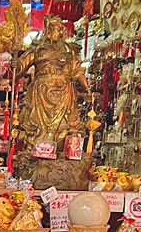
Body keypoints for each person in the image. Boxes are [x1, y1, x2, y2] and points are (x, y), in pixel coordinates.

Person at [16, 15, 91, 152]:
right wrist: (15, 66)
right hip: (42, 91)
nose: (59, 32)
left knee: (64, 124)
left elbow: (77, 71)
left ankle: (62, 150)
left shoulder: (68, 51)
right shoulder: (38, 50)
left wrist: (87, 88)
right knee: (38, 125)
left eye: (60, 29)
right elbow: (20, 69)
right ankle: (37, 150)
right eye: (56, 29)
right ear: (48, 30)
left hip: (63, 92)